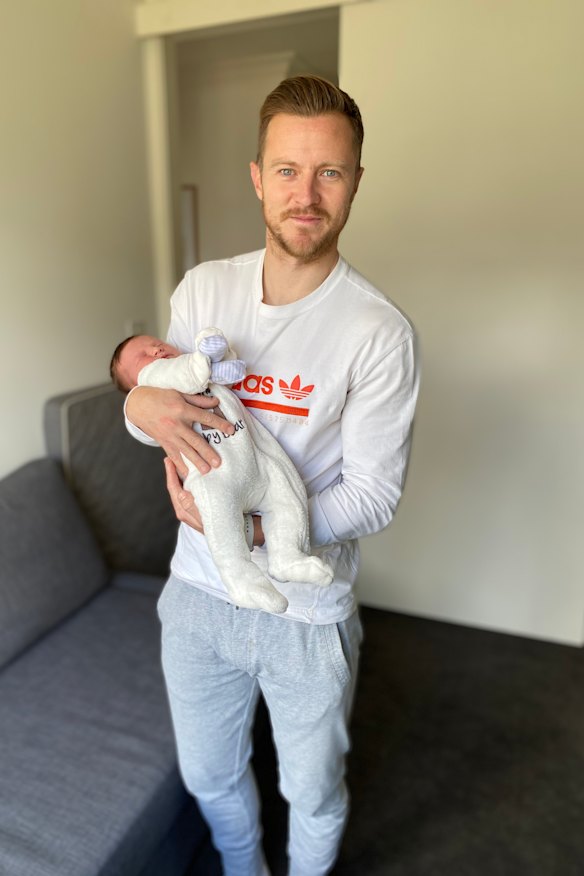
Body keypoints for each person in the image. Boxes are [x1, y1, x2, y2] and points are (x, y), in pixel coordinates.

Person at [125, 75, 419, 876]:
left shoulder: (378, 333)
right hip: (197, 594)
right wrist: (141, 410)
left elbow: (373, 493)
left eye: (330, 172)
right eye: (288, 170)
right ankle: (244, 866)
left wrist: (259, 529)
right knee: (209, 774)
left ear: (356, 180)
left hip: (306, 609)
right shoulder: (204, 289)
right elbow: (162, 405)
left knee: (312, 789)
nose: (308, 195)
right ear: (257, 176)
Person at [110, 330, 333, 613]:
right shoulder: (159, 381)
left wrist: (221, 362)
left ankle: (288, 555)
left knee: (287, 491)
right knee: (222, 521)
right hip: (214, 473)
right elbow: (183, 374)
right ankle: (242, 579)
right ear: (136, 385)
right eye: (143, 356)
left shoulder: (198, 372)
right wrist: (201, 358)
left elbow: (228, 372)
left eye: (157, 344)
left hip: (254, 462)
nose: (155, 351)